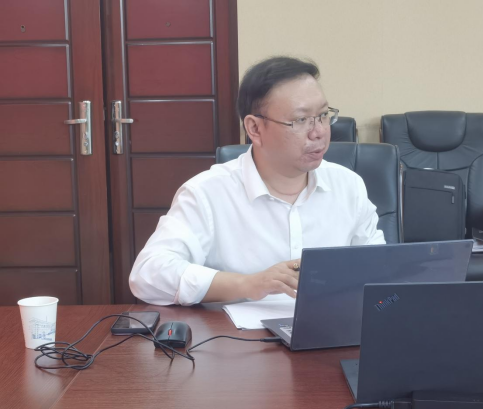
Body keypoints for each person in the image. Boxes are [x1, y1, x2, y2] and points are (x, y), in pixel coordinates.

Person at [129, 56, 385, 306]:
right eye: (300, 120)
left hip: (330, 329)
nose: (319, 132)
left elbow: (380, 270)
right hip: (236, 334)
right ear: (254, 129)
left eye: (323, 115)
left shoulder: (348, 186)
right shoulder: (207, 193)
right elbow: (148, 275)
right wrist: (249, 284)